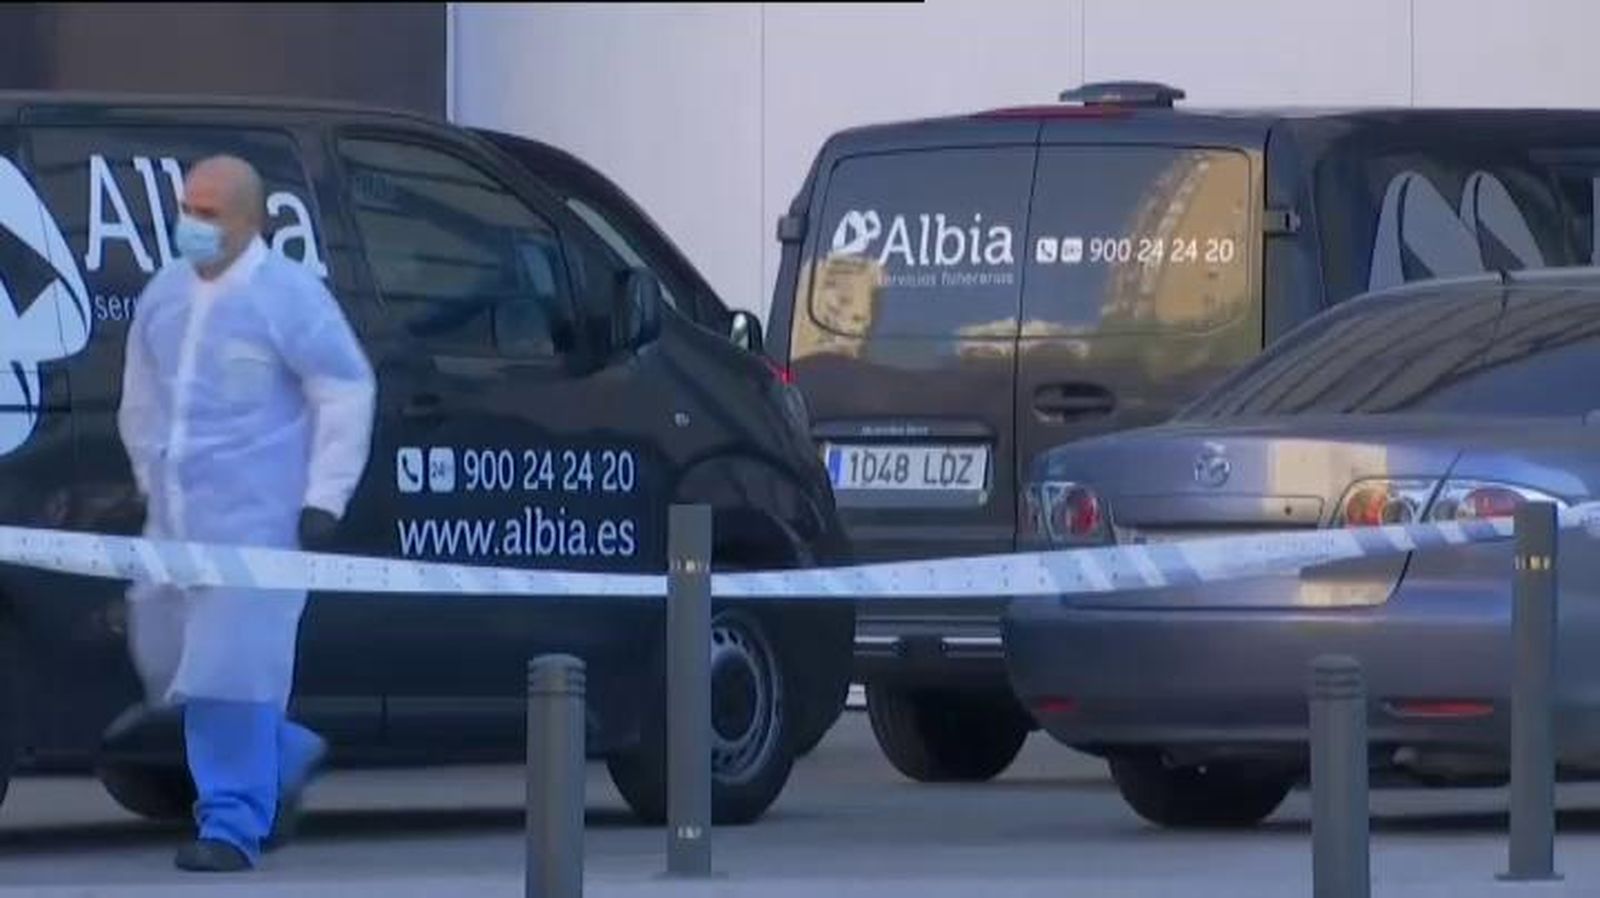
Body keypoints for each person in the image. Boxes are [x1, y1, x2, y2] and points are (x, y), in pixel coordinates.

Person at [117, 155, 376, 872]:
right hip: (171, 529)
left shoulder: (288, 297)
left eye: (210, 214)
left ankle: (231, 827)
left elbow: (346, 388)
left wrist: (325, 496)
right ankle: (286, 751)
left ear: (250, 221)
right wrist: (146, 476)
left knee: (226, 677)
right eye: (186, 210)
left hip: (255, 531)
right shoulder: (163, 294)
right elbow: (142, 395)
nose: (192, 226)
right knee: (165, 667)